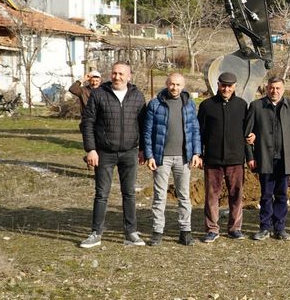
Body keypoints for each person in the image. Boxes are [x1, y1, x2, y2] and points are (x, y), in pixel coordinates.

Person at [79, 62, 146, 248]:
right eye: (114, 73)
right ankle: (96, 233)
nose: (117, 77)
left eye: (121, 74)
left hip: (130, 152)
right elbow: (88, 123)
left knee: (129, 193)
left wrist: (143, 149)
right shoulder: (99, 94)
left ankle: (131, 233)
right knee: (101, 194)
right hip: (104, 153)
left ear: (129, 76)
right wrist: (91, 149)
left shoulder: (137, 96)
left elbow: (144, 125)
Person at [141, 72, 202, 246]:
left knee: (184, 196)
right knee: (160, 196)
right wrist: (149, 155)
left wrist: (196, 153)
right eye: (172, 84)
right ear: (167, 84)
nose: (174, 88)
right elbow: (147, 132)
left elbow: (195, 130)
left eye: (178, 85)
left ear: (183, 86)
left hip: (184, 158)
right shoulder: (155, 104)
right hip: (161, 158)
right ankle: (157, 232)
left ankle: (185, 231)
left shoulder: (189, 105)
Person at [197, 71, 250, 243]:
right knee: (212, 195)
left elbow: (247, 133)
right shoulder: (206, 105)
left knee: (236, 194)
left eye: (229, 86)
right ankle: (212, 229)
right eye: (223, 85)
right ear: (218, 85)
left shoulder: (242, 105)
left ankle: (235, 228)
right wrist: (199, 153)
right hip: (213, 159)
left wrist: (249, 154)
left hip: (235, 159)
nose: (226, 88)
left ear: (235, 87)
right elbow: (200, 132)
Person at [245, 77, 290, 241]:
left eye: (278, 88)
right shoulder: (256, 106)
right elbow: (247, 134)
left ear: (283, 89)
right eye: (271, 88)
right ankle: (265, 228)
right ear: (266, 88)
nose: (274, 91)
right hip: (265, 158)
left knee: (282, 195)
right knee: (266, 195)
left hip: (285, 159)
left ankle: (280, 228)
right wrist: (250, 157)